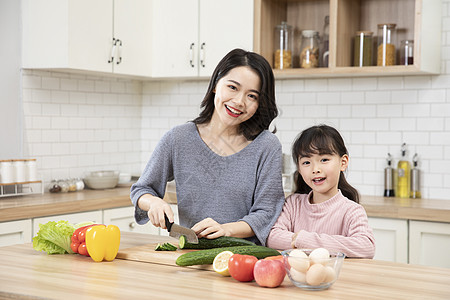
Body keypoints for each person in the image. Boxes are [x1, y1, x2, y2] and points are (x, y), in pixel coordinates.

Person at [130, 48, 285, 246]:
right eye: (232, 87)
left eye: (252, 96)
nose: (239, 101)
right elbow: (142, 189)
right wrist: (154, 202)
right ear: (215, 85)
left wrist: (226, 229)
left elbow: (267, 211)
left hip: (244, 261)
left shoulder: (266, 146)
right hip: (192, 254)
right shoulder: (178, 138)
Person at [267, 124, 375, 258]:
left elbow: (366, 247)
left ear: (343, 162)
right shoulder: (293, 204)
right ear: (299, 169)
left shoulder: (352, 210)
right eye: (306, 162)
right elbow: (272, 236)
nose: (315, 169)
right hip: (297, 276)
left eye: (324, 160)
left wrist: (305, 241)